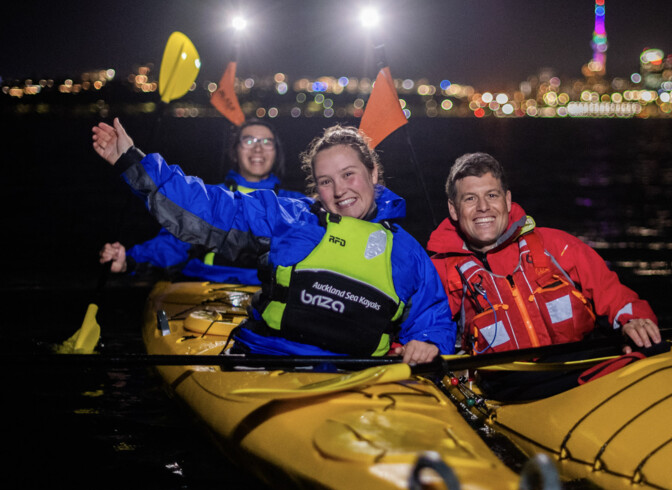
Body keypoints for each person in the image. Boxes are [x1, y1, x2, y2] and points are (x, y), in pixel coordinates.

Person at [92, 118, 454, 364]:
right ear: (316, 188)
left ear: (373, 173)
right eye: (326, 181)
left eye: (349, 175)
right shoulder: (292, 218)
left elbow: (432, 312)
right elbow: (209, 207)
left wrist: (429, 342)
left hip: (355, 370)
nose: (340, 190)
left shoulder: (406, 250)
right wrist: (132, 162)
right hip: (268, 357)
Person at [426, 152, 662, 399]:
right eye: (470, 199)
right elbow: (425, 325)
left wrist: (634, 320)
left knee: (654, 347)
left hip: (582, 370)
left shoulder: (556, 246)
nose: (483, 207)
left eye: (492, 195)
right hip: (512, 391)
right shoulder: (441, 271)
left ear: (507, 200)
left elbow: (613, 294)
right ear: (453, 209)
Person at [97, 119, 307, 285]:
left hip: (266, 293)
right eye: (249, 140)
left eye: (266, 142)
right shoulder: (211, 197)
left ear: (277, 151)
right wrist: (129, 259)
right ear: (234, 151)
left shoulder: (295, 205)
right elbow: (174, 244)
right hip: (207, 288)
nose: (258, 149)